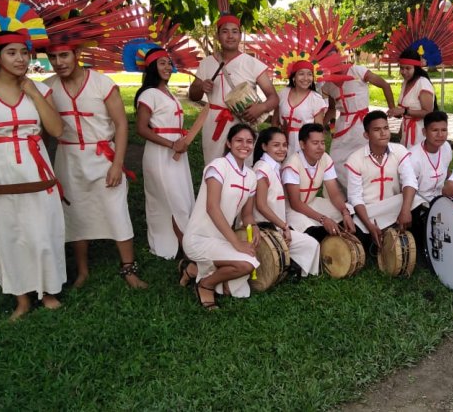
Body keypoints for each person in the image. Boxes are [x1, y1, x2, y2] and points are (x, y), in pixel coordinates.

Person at [0, 31, 66, 320]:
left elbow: (56, 130)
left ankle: (49, 291)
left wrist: (32, 92)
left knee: (43, 229)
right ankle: (22, 299)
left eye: (24, 52)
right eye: (12, 53)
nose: (20, 58)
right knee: (9, 234)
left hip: (36, 167)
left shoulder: (39, 89)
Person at [45, 45, 147, 289]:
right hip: (68, 158)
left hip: (103, 157)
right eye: (52, 57)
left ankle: (129, 269)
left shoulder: (102, 83)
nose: (58, 62)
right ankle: (83, 271)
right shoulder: (47, 87)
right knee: (76, 213)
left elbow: (121, 124)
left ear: (76, 54)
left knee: (116, 211)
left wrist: (117, 164)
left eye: (64, 54)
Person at [180, 124, 261, 308]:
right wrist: (236, 243)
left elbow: (247, 214)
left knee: (251, 261)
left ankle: (192, 269)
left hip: (221, 238)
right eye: (239, 141)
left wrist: (254, 226)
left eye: (249, 142)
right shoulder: (217, 166)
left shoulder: (251, 176)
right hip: (198, 238)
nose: (244, 145)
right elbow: (212, 208)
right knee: (246, 265)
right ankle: (205, 285)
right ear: (229, 143)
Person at [188, 16, 278, 164]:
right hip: (214, 124)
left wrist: (260, 108)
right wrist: (201, 87)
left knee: (242, 169)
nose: (230, 36)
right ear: (217, 36)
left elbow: (273, 97)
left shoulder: (252, 63)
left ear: (240, 35)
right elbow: (193, 95)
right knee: (214, 167)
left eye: (234, 31)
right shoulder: (206, 63)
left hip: (242, 125)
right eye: (225, 31)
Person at [134, 47, 195, 259]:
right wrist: (171, 145)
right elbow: (141, 128)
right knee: (170, 198)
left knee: (181, 194)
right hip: (161, 153)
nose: (168, 67)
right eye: (162, 63)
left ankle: (183, 242)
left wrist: (180, 143)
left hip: (177, 151)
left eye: (169, 63)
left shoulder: (168, 93)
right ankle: (183, 245)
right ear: (152, 67)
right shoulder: (149, 94)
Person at [344, 111, 422, 252]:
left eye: (386, 128)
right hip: (368, 211)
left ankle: (405, 239)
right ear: (366, 135)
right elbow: (355, 197)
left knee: (415, 201)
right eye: (376, 129)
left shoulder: (399, 151)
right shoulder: (355, 159)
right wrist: (369, 225)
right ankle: (380, 237)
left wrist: (405, 210)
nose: (383, 133)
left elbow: (409, 180)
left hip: (393, 208)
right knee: (359, 244)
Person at [322, 44, 396, 189]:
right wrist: (320, 126)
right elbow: (331, 109)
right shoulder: (328, 84)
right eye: (326, 59)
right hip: (343, 125)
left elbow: (385, 85)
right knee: (336, 160)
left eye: (332, 56)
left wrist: (392, 108)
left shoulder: (358, 71)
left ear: (338, 55)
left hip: (363, 124)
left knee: (365, 159)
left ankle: (369, 191)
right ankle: (348, 195)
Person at [252, 127, 320, 277]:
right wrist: (284, 226)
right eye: (276, 145)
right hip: (264, 228)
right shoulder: (262, 170)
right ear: (264, 146)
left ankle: (288, 265)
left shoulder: (274, 167)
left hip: (276, 226)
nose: (282, 149)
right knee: (310, 245)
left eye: (284, 145)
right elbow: (261, 206)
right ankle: (288, 266)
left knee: (311, 245)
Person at [283, 123, 356, 243]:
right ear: (302, 144)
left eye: (322, 142)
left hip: (312, 203)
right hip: (291, 209)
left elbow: (334, 194)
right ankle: (328, 240)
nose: (321, 147)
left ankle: (333, 235)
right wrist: (323, 219)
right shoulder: (292, 164)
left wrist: (345, 213)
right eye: (315, 143)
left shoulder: (325, 159)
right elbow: (295, 203)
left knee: (349, 210)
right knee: (310, 230)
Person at [274, 61, 327, 155]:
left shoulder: (316, 99)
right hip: (282, 142)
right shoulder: (283, 93)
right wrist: (274, 141)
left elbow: (319, 129)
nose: (306, 78)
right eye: (301, 74)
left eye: (309, 74)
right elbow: (275, 122)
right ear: (294, 77)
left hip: (304, 143)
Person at [388, 48, 436, 149]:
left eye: (408, 68)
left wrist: (404, 111)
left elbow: (428, 112)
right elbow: (405, 111)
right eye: (401, 68)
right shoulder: (406, 82)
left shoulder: (422, 83)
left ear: (416, 68)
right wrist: (396, 113)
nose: (404, 72)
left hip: (420, 134)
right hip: (405, 133)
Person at [408, 111, 453, 205]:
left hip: (440, 198)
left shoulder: (446, 147)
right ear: (424, 132)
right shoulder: (413, 157)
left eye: (444, 130)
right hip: (417, 202)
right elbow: (408, 188)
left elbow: (446, 170)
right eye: (435, 130)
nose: (440, 135)